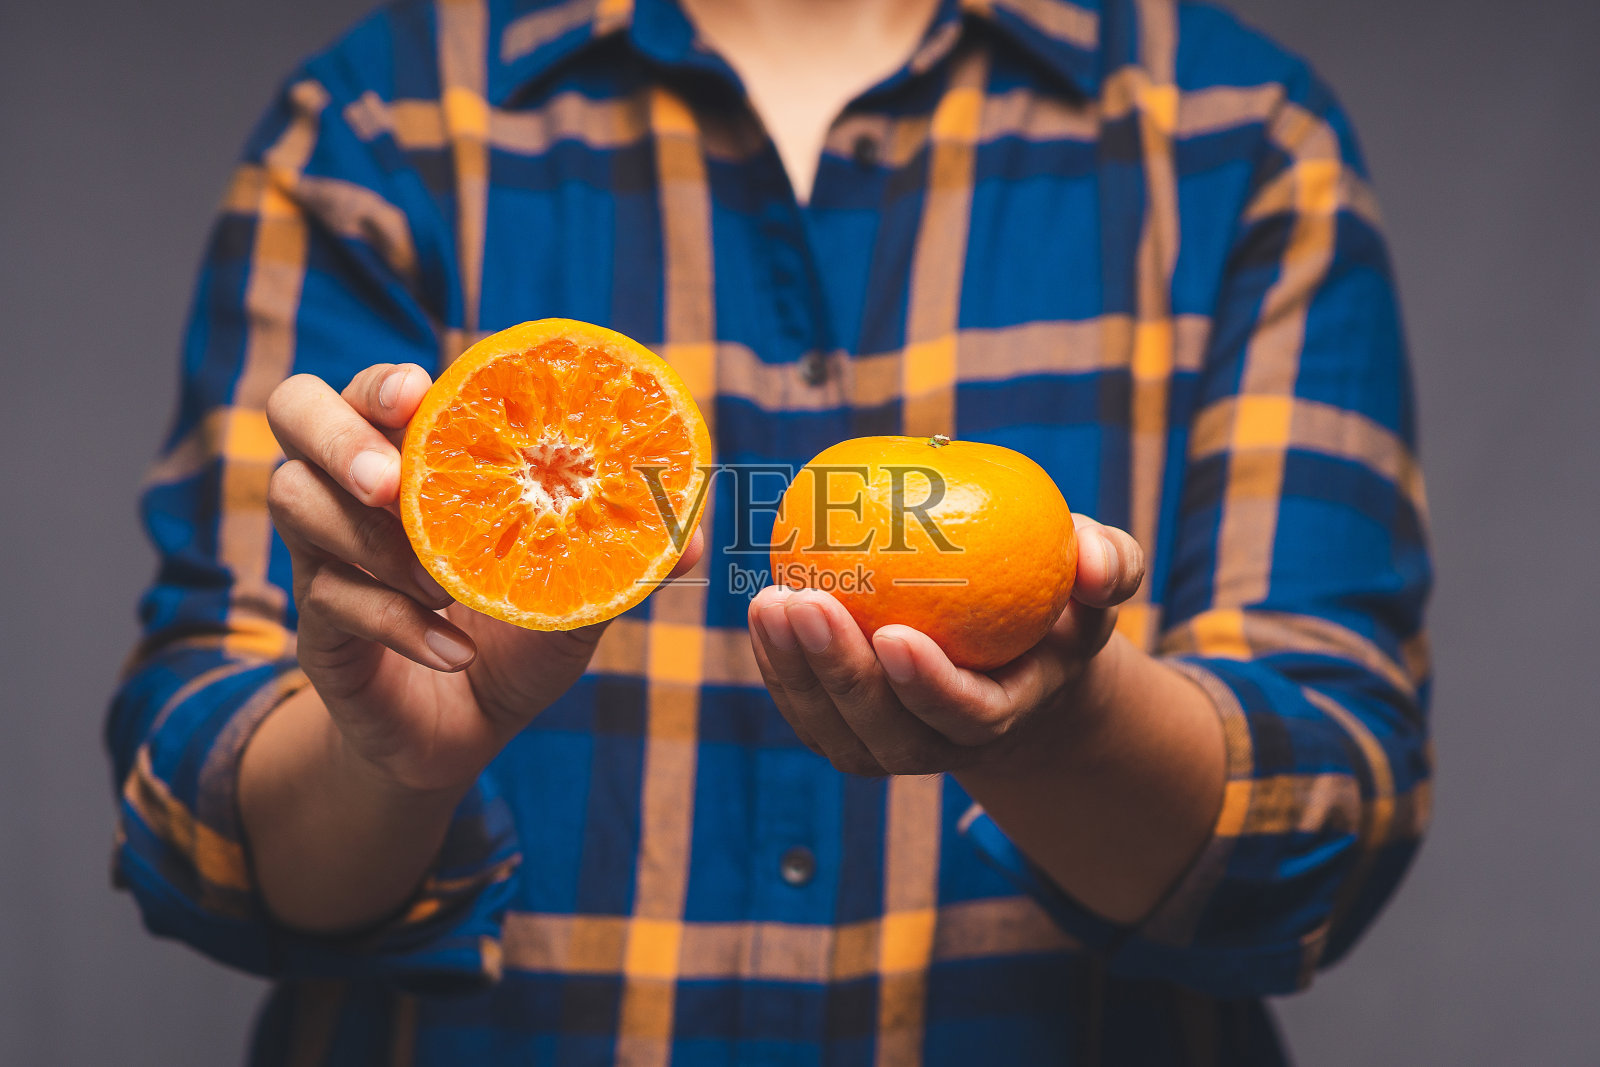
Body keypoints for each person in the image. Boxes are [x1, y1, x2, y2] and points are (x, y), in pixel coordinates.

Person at [106, 0, 1432, 1061]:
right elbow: (199, 825)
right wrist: (383, 760)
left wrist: (1064, 727)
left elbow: (1328, 823)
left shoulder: (1243, 136)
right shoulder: (375, 124)